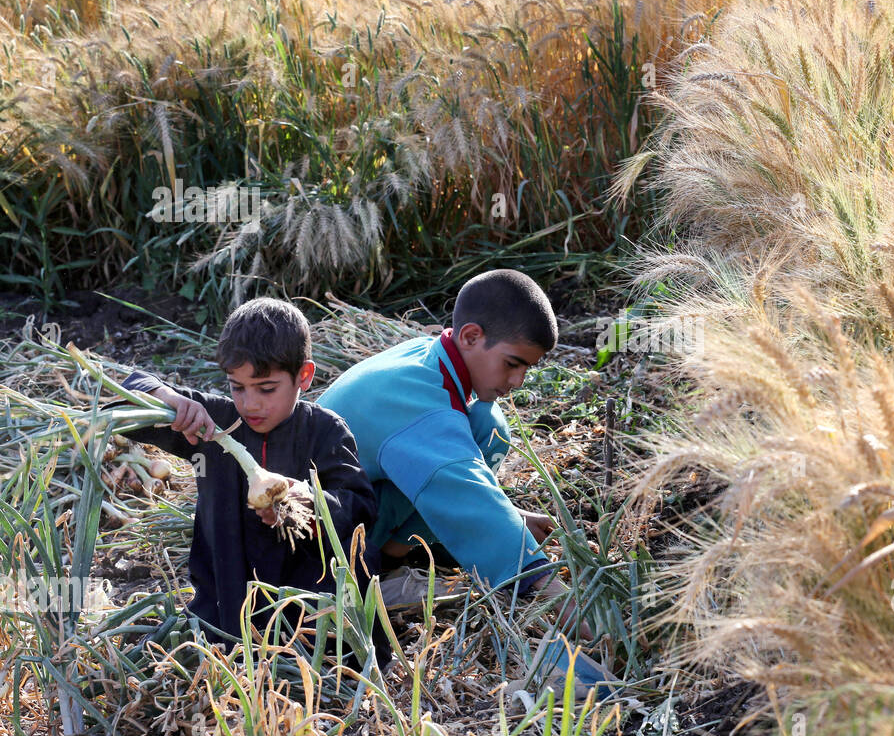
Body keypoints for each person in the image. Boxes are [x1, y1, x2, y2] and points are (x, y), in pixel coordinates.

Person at [120, 298, 381, 662]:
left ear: (304, 376)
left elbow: (361, 508)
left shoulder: (325, 432)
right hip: (224, 612)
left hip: (308, 622)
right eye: (237, 387)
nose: (250, 404)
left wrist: (306, 503)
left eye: (266, 388)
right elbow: (121, 397)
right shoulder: (211, 424)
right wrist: (166, 399)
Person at [316, 269, 579, 624]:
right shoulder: (420, 406)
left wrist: (511, 516)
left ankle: (394, 556)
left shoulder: (427, 357)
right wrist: (551, 591)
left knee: (488, 426)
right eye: (512, 364)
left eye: (526, 369)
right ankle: (379, 574)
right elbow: (461, 485)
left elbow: (459, 467)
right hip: (319, 545)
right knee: (457, 472)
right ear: (471, 336)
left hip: (347, 507)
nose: (517, 381)